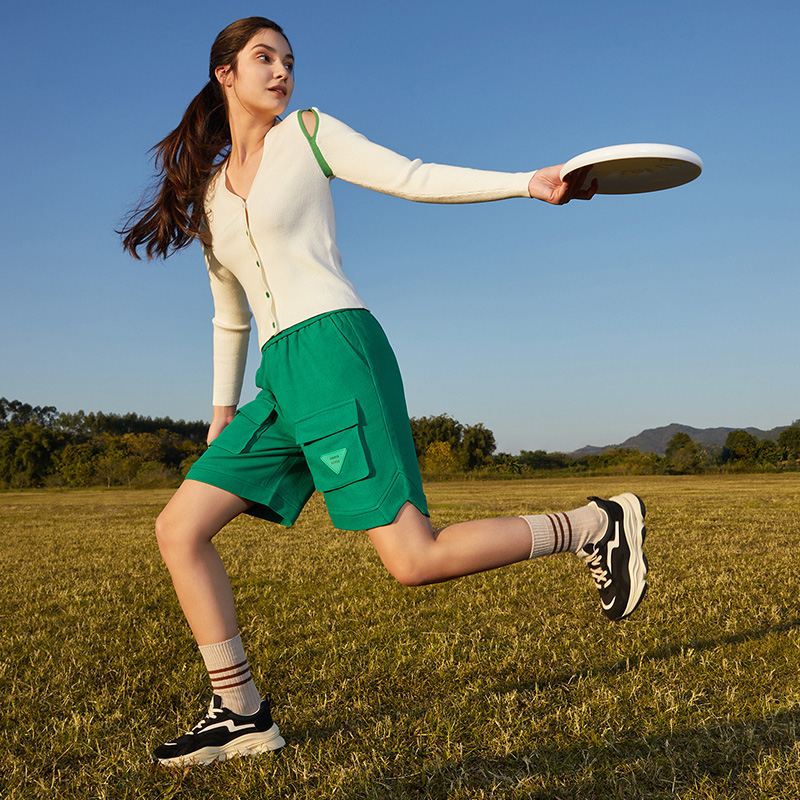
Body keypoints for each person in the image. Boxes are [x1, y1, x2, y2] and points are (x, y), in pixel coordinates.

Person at [121, 17, 648, 767]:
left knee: (413, 560)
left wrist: (526, 184)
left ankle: (595, 525)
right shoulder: (210, 198)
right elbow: (228, 315)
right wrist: (221, 416)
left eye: (289, 60)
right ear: (224, 75)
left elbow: (411, 175)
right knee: (180, 529)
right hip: (279, 377)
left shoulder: (307, 132)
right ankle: (240, 714)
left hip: (338, 352)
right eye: (264, 58)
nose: (282, 71)